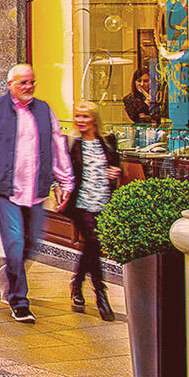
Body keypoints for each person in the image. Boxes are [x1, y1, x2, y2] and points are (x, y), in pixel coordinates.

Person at [0, 64, 73, 324]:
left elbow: (58, 146)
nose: (28, 87)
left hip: (36, 190)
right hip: (5, 190)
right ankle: (19, 301)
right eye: (23, 82)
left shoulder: (45, 111)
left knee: (31, 245)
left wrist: (65, 181)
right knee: (14, 243)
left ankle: (7, 276)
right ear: (10, 84)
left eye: (31, 82)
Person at [63, 101, 121, 320]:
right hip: (81, 204)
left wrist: (115, 172)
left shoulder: (108, 142)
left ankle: (77, 282)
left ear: (95, 120)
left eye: (85, 117)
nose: (81, 121)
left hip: (104, 202)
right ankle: (101, 294)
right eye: (77, 116)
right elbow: (65, 173)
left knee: (91, 246)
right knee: (94, 242)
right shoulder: (72, 144)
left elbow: (116, 167)